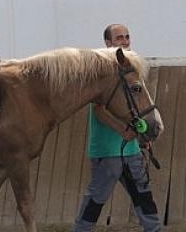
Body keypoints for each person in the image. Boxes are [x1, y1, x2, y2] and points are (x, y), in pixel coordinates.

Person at [72, 24, 161, 232]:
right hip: (107, 150)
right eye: (119, 37)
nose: (125, 41)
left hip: (131, 149)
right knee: (96, 201)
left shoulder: (130, 70)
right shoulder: (101, 70)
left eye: (127, 36)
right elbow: (99, 110)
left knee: (144, 197)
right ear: (108, 43)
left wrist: (140, 136)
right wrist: (123, 131)